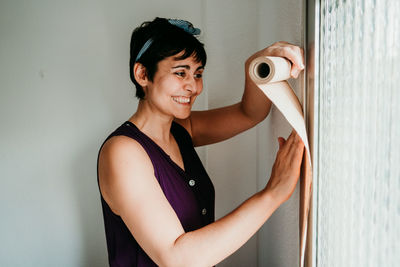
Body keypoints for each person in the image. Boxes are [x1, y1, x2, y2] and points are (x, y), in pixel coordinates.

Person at [97, 17, 305, 267]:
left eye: (198, 74)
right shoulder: (123, 152)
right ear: (142, 74)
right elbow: (177, 259)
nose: (193, 86)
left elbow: (249, 113)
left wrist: (255, 65)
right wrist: (274, 192)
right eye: (180, 73)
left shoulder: (181, 129)